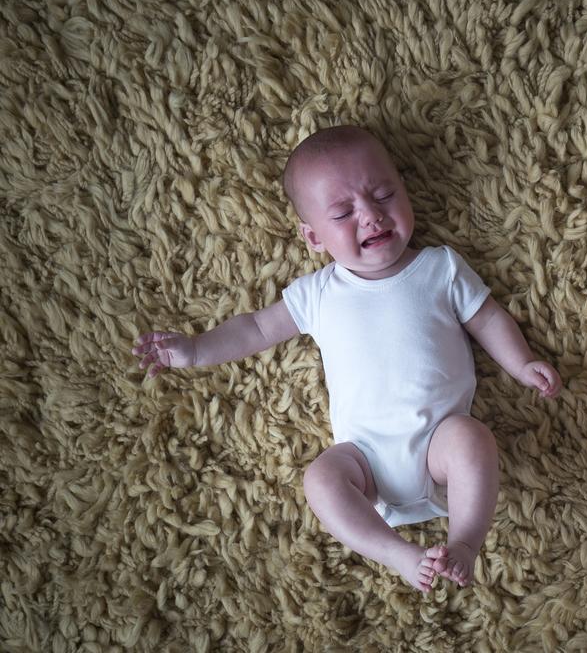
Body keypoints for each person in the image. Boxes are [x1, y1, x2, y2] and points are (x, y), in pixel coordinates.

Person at [132, 125, 562, 593]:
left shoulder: (439, 267)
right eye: (343, 213)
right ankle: (396, 552)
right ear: (314, 237)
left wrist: (520, 364)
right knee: (320, 479)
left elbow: (487, 318)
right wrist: (196, 350)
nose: (371, 216)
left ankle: (463, 544)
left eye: (383, 194)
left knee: (473, 439)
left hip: (440, 444)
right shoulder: (319, 292)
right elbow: (256, 328)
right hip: (366, 464)